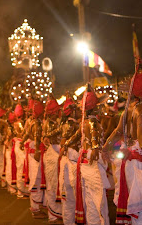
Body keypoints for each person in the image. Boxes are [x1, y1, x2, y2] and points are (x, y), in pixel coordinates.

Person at [102, 59, 142, 225]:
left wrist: (106, 147)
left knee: (141, 209)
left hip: (130, 163)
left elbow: (117, 132)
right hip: (140, 164)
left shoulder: (129, 109)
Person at [63, 85, 110, 225]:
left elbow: (75, 137)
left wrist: (65, 145)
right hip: (92, 162)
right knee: (99, 200)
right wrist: (96, 148)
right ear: (95, 107)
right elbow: (95, 135)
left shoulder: (83, 123)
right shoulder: (93, 121)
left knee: (90, 200)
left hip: (84, 164)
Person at [57, 96, 80, 225]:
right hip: (72, 162)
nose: (79, 111)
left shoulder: (63, 124)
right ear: (72, 111)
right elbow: (64, 141)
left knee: (67, 198)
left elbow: (62, 141)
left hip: (66, 160)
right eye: (76, 109)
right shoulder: (73, 125)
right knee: (74, 197)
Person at [42, 95, 63, 223]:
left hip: (55, 154)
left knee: (56, 184)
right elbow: (49, 137)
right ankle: (53, 215)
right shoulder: (49, 123)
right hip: (52, 154)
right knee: (52, 184)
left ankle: (56, 212)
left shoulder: (54, 122)